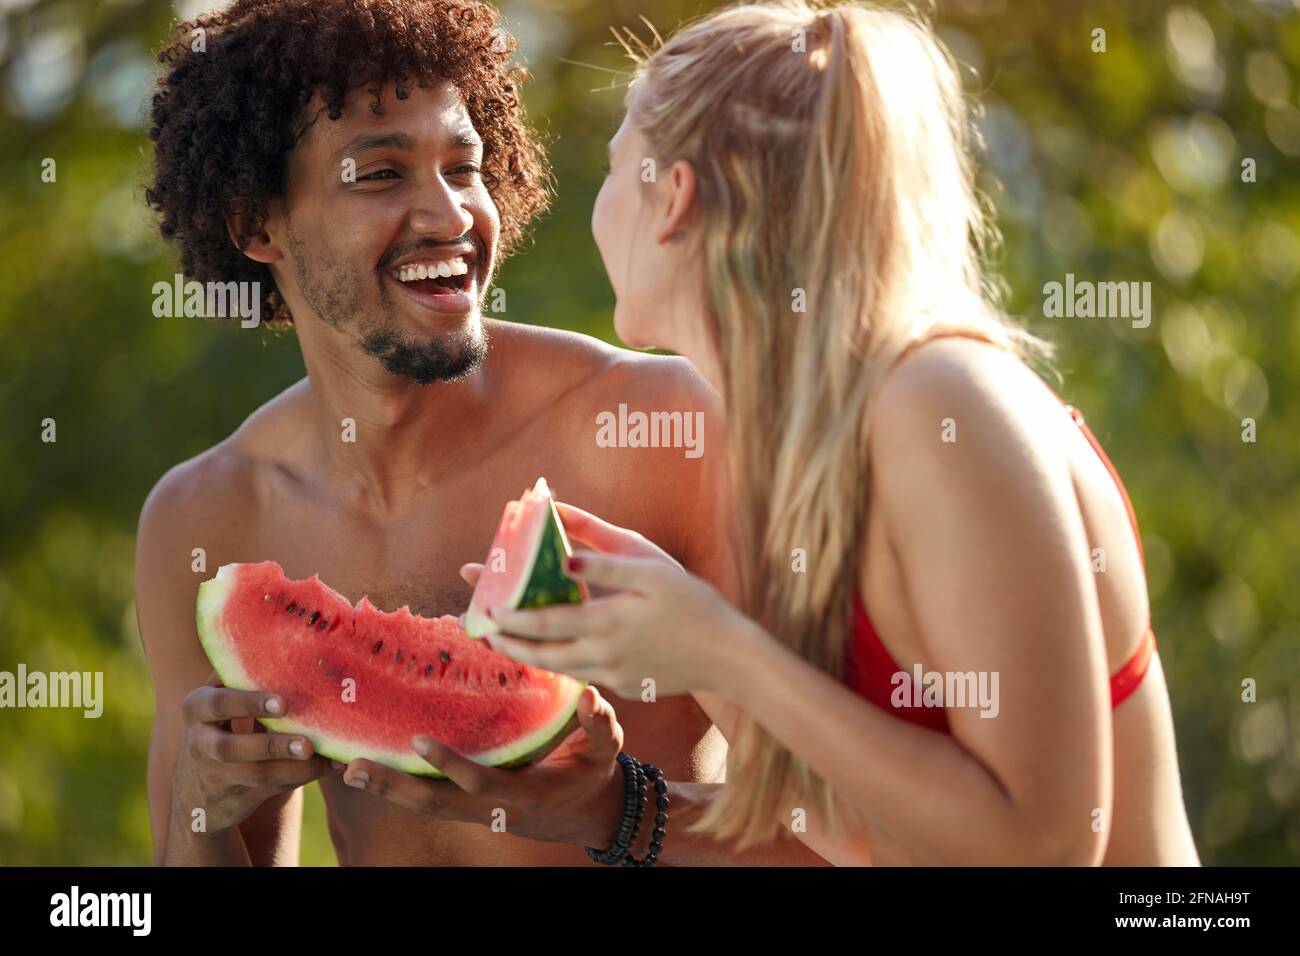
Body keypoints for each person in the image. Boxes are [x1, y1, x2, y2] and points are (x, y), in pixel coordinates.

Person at [481, 0, 1202, 865]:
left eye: (610, 168)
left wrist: (723, 648)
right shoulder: (807, 444)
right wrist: (696, 654)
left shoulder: (938, 406)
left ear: (672, 198)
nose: (595, 204)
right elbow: (880, 845)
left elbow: (1046, 846)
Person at [136, 0, 825, 866]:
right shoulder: (202, 521)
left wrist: (625, 816)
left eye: (464, 167)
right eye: (380, 174)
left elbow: (866, 841)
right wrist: (199, 816)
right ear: (255, 224)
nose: (450, 215)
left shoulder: (661, 432)